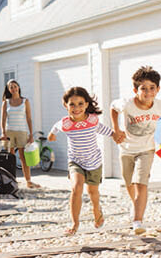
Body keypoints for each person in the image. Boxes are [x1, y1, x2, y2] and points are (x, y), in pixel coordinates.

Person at [110, 65, 161, 235]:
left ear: (158, 89)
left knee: (140, 183)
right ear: (135, 90)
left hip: (146, 150)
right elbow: (113, 108)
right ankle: (135, 206)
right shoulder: (126, 104)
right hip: (126, 149)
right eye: (143, 88)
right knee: (129, 184)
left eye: (152, 88)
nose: (148, 92)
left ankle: (137, 221)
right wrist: (116, 130)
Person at [48, 87, 121, 236]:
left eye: (80, 104)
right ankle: (74, 224)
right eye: (72, 104)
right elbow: (56, 127)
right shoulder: (66, 123)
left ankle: (97, 210)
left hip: (94, 161)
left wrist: (115, 134)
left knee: (93, 192)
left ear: (87, 104)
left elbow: (102, 129)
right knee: (76, 187)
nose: (76, 108)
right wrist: (51, 135)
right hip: (76, 161)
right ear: (65, 105)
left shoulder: (92, 120)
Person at [0, 79, 40, 189]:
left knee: (23, 157)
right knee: (10, 158)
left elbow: (29, 118)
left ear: (18, 87)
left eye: (15, 86)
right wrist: (3, 132)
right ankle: (11, 180)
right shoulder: (6, 102)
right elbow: (3, 119)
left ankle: (28, 181)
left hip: (22, 132)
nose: (13, 88)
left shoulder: (25, 101)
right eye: (11, 87)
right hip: (9, 132)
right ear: (8, 89)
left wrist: (31, 134)